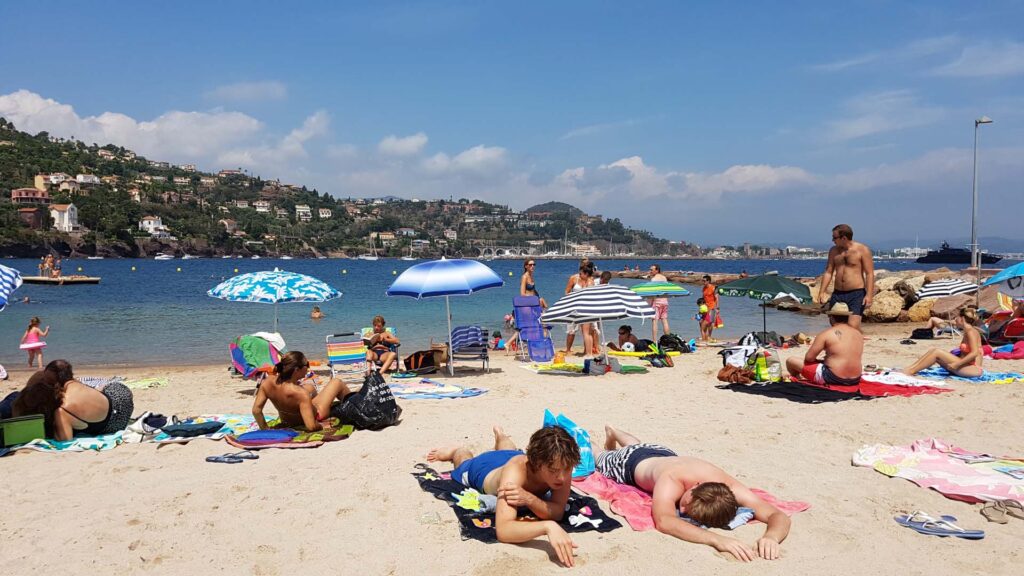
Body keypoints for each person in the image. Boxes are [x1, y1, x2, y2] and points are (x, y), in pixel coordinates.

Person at [596, 425, 791, 561]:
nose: (681, 508)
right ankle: (599, 442)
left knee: (639, 445)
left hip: (662, 452)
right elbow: (665, 521)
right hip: (629, 463)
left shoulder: (728, 486)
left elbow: (776, 514)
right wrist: (716, 539)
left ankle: (615, 432)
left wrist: (772, 537)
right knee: (598, 458)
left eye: (686, 511)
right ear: (696, 485)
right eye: (685, 503)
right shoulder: (671, 481)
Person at [427, 426, 581, 567]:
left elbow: (558, 511)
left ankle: (500, 435)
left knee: (508, 450)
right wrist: (548, 526)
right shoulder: (515, 474)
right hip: (482, 469)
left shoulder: (562, 464)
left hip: (513, 456)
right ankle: (457, 450)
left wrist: (529, 498)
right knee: (464, 461)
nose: (561, 477)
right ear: (537, 463)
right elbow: (504, 530)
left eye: (567, 470)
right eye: (553, 471)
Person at [11, 359, 134, 440]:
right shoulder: (77, 384)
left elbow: (65, 439)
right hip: (123, 398)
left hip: (115, 425)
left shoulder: (63, 409)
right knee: (98, 390)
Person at [252, 351, 352, 431]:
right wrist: (321, 426)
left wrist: (265, 429)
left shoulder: (267, 382)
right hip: (315, 415)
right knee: (336, 382)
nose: (308, 368)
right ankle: (355, 406)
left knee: (310, 387)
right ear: (296, 370)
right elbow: (311, 426)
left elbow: (256, 411)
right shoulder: (300, 393)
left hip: (288, 421)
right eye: (306, 365)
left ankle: (311, 406)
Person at [785, 303, 864, 386]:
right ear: (848, 317)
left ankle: (797, 379)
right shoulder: (858, 334)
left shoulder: (826, 334)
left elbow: (809, 358)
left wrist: (823, 361)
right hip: (855, 378)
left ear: (831, 318)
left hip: (834, 378)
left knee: (791, 361)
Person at [819, 224, 875, 330]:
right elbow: (828, 272)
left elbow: (869, 274)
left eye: (834, 238)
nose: (832, 240)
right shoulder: (833, 251)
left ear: (844, 238)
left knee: (853, 326)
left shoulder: (862, 250)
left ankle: (855, 340)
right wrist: (822, 292)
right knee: (835, 324)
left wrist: (869, 295)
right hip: (838, 293)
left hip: (856, 293)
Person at [902, 307, 984, 377]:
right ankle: (909, 369)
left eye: (957, 317)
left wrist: (957, 364)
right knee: (933, 351)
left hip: (973, 369)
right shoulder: (967, 331)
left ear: (962, 318)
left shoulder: (971, 332)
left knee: (937, 352)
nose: (955, 319)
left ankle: (910, 371)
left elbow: (974, 353)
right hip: (966, 366)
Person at [563, 262, 596, 355]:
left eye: (582, 273)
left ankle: (587, 351)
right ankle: (568, 349)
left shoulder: (590, 281)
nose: (580, 274)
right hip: (574, 306)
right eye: (580, 273)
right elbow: (567, 291)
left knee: (587, 331)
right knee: (571, 329)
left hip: (586, 307)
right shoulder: (574, 278)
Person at [648, 264, 670, 342]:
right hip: (665, 301)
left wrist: (649, 304)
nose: (650, 271)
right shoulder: (664, 278)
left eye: (651, 270)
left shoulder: (654, 280)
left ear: (657, 270)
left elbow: (652, 293)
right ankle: (668, 340)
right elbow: (667, 290)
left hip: (657, 301)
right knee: (664, 320)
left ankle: (654, 341)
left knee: (654, 321)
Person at [702, 275, 719, 343]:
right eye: (702, 281)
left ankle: (709, 336)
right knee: (704, 323)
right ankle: (706, 337)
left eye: (704, 281)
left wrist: (717, 308)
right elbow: (703, 297)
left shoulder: (713, 288)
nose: (703, 282)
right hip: (705, 308)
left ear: (708, 281)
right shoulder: (704, 288)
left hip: (712, 307)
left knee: (708, 323)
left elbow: (717, 298)